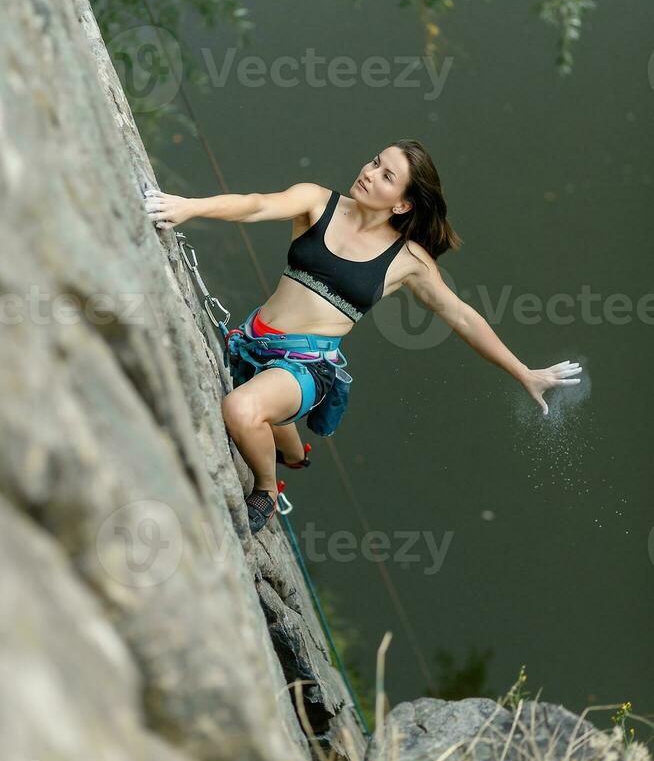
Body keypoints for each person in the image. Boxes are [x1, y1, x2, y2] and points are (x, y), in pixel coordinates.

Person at [145, 139, 582, 533]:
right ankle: (295, 454)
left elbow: (461, 316)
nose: (369, 173)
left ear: (402, 205)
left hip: (305, 367)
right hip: (254, 339)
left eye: (386, 175)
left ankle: (266, 488)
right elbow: (256, 204)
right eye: (375, 161)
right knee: (266, 409)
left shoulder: (408, 260)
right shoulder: (317, 201)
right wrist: (190, 207)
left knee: (240, 410)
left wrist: (523, 371)